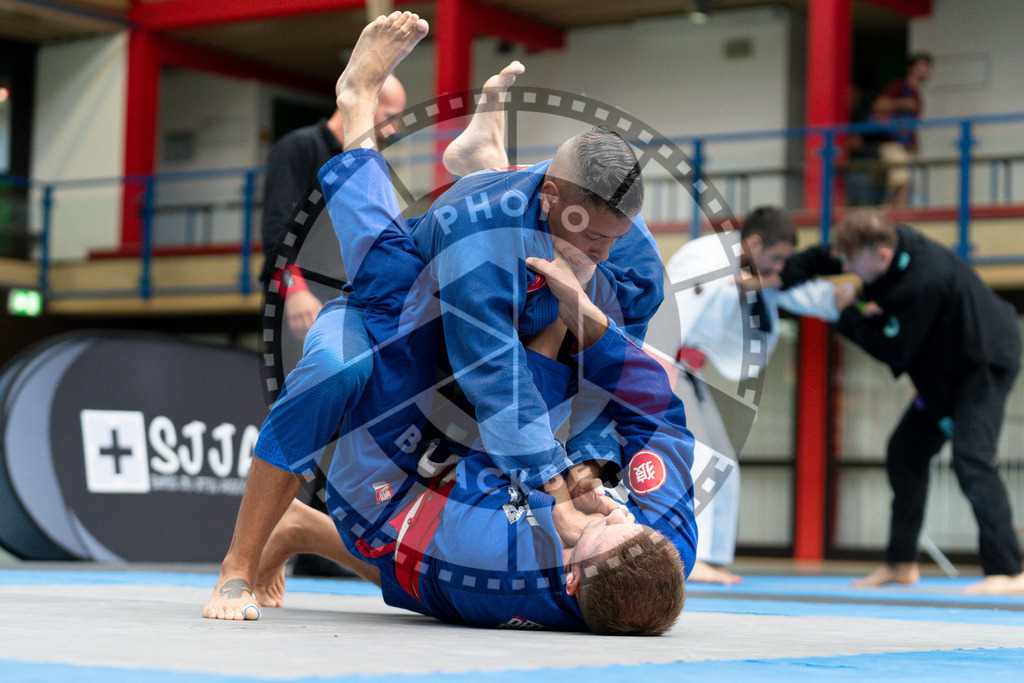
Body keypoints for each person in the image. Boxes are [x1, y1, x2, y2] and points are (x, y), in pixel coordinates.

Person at [204, 12, 695, 631]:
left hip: (500, 322)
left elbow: (609, 380)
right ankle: (237, 563)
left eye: (611, 239)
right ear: (551, 199)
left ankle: (487, 158)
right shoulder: (480, 241)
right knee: (335, 364)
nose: (598, 252)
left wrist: (584, 466)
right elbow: (500, 374)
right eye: (587, 236)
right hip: (421, 304)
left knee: (582, 322)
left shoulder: (630, 252)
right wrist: (558, 480)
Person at [782, 208, 1024, 594]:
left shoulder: (923, 282)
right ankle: (901, 564)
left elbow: (893, 350)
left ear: (880, 256)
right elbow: (820, 259)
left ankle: (1008, 570)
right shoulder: (876, 241)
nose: (845, 268)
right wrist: (778, 276)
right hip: (944, 362)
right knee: (905, 453)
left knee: (972, 457)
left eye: (850, 262)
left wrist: (847, 313)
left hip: (983, 362)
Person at [659, 207, 839, 583]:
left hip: (690, 372)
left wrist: (841, 298)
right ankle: (693, 558)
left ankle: (712, 556)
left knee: (723, 459)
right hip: (662, 366)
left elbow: (796, 292)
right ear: (754, 243)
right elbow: (670, 314)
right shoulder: (705, 258)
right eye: (777, 257)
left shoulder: (758, 272)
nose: (780, 267)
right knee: (702, 456)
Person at [871, 52, 932, 206]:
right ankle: (896, 214)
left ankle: (892, 213)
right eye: (923, 65)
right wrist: (903, 102)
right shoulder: (899, 87)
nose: (927, 70)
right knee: (902, 180)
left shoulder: (916, 93)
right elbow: (878, 105)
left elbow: (912, 123)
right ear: (912, 68)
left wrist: (914, 142)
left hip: (905, 145)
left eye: (928, 66)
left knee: (902, 182)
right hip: (891, 142)